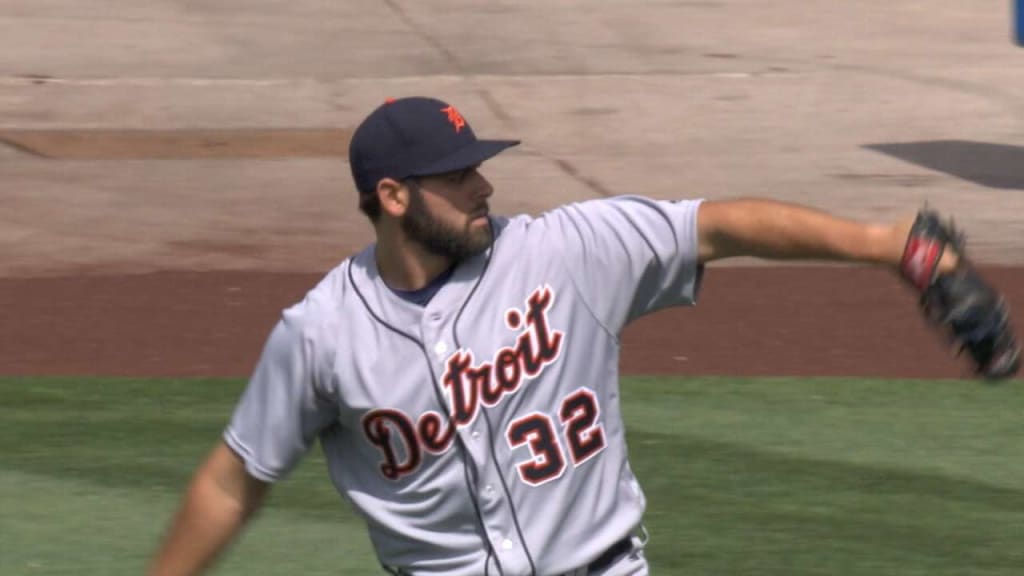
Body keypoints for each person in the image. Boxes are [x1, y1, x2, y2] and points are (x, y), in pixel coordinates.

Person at [147, 96, 1018, 576]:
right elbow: (234, 480)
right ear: (395, 197)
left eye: (480, 166)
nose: (484, 186)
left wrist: (893, 246)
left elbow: (720, 226)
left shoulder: (565, 254)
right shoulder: (322, 334)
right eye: (458, 177)